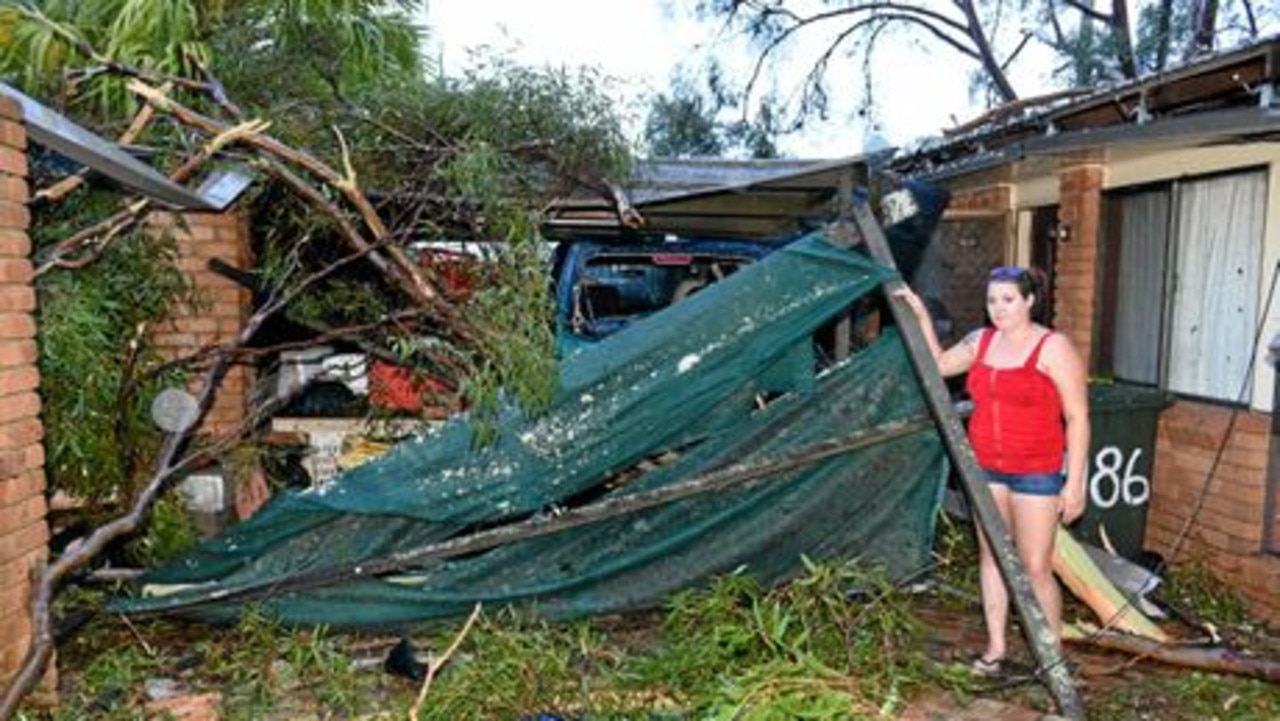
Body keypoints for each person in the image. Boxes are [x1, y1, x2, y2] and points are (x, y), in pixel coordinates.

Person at [896, 266, 1089, 676]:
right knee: (993, 558)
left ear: (1029, 301)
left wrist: (1075, 483)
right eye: (992, 300)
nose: (998, 308)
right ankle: (996, 648)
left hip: (1036, 472)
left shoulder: (1053, 347)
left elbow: (1078, 416)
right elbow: (939, 365)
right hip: (985, 470)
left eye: (1008, 300)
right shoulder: (980, 342)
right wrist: (921, 317)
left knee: (1035, 565)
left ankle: (1050, 657)